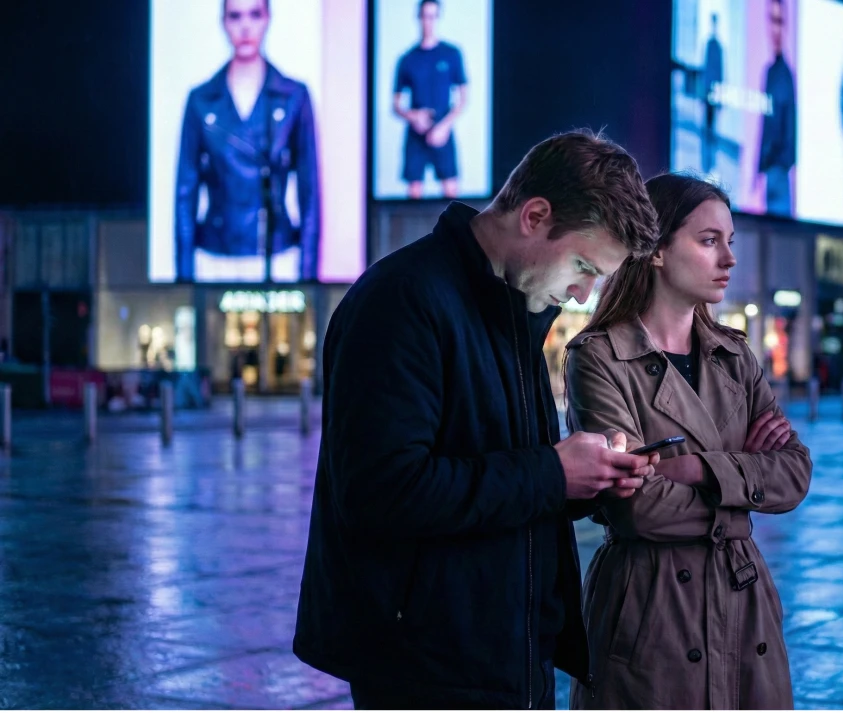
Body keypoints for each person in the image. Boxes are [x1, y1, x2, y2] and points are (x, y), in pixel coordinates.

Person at [294, 131, 663, 710]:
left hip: (508, 653)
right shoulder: (402, 301)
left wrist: (586, 479)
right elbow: (381, 493)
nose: (586, 294)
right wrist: (551, 473)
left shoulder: (514, 309)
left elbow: (497, 474)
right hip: (427, 668)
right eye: (586, 266)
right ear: (535, 216)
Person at [564, 174, 813, 709]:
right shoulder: (599, 357)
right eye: (708, 241)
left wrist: (701, 469)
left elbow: (793, 473)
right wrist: (745, 486)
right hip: (651, 605)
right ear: (655, 250)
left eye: (730, 241)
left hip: (744, 603)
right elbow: (639, 508)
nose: (729, 259)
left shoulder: (734, 355)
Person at [175, 0, 320, 283]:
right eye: (235, 16)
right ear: (223, 22)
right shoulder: (201, 101)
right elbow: (185, 193)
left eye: (254, 14)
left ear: (267, 19)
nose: (245, 26)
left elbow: (310, 192)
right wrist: (183, 280)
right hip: (214, 257)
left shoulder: (293, 96)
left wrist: (308, 275)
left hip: (278, 256)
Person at [393, 0, 468, 199]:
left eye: (433, 16)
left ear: (438, 18)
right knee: (414, 194)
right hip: (416, 133)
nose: (429, 21)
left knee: (452, 195)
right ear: (418, 18)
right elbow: (396, 104)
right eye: (425, 16)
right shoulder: (407, 59)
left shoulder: (451, 54)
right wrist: (413, 116)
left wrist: (444, 126)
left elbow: (463, 98)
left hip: (443, 128)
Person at [756, 0, 796, 216]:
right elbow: (765, 126)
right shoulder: (770, 72)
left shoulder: (786, 75)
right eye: (772, 21)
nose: (775, 30)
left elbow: (789, 127)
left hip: (779, 170)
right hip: (771, 170)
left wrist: (780, 163)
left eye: (780, 21)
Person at [702, 13, 723, 175]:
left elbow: (720, 71)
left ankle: (712, 164)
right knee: (706, 129)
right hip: (708, 92)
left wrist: (720, 95)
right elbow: (706, 70)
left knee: (713, 130)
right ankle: (705, 164)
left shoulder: (718, 47)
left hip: (715, 93)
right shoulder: (709, 45)